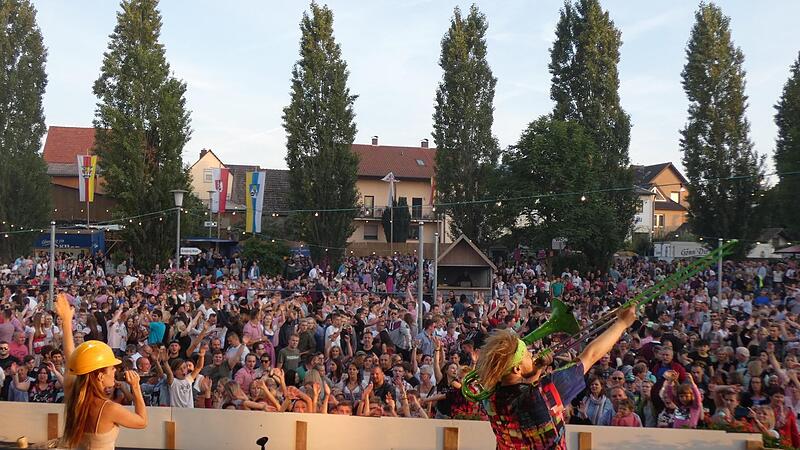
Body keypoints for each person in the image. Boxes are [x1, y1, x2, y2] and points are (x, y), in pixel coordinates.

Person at [473, 305, 636, 450]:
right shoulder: (547, 390)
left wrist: (534, 372)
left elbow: (516, 396)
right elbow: (590, 355)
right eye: (528, 356)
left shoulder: (489, 398)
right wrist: (621, 323)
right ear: (516, 369)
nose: (533, 355)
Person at [55, 293, 147, 449]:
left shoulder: (75, 393)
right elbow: (142, 421)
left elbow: (72, 358)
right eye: (111, 368)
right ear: (99, 376)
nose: (114, 371)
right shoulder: (109, 409)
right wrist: (136, 388)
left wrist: (66, 322)